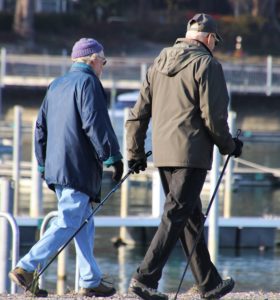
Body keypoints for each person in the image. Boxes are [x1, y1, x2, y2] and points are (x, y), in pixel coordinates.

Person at [126, 13, 243, 300]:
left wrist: (135, 152)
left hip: (164, 154)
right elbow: (214, 117)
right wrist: (230, 146)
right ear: (209, 38)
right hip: (191, 154)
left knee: (189, 217)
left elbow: (138, 114)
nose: (215, 46)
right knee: (176, 214)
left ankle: (209, 282)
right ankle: (145, 278)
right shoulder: (207, 65)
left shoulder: (158, 62)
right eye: (215, 41)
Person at [9, 38, 123, 298]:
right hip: (77, 166)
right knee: (69, 220)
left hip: (57, 166)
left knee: (84, 222)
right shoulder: (89, 83)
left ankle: (89, 280)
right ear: (93, 59)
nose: (103, 66)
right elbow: (95, 123)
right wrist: (112, 157)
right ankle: (26, 267)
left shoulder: (57, 84)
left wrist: (42, 163)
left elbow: (41, 128)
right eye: (103, 61)